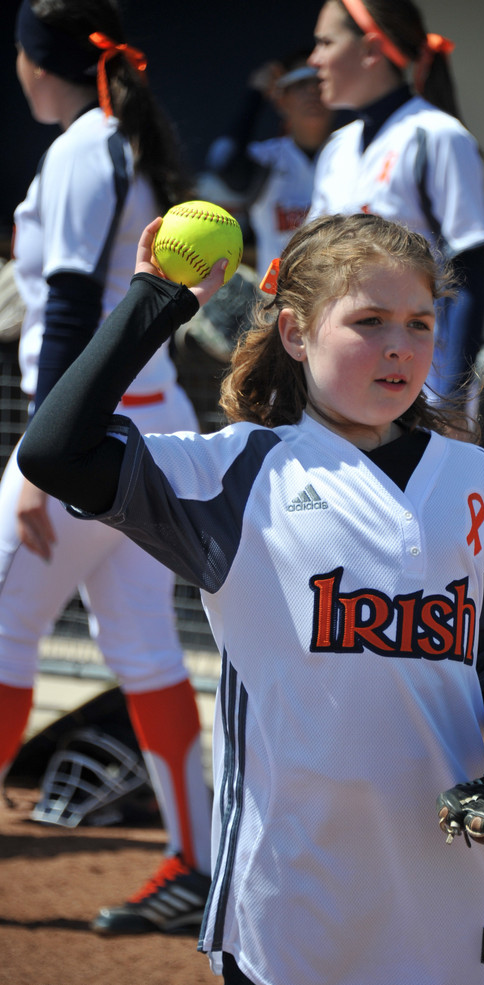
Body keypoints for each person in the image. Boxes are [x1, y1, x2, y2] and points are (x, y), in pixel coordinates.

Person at [19, 210, 484, 985]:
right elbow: (57, 452)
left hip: (442, 872)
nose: (399, 346)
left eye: (418, 323)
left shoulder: (473, 476)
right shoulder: (237, 471)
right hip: (290, 880)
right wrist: (155, 300)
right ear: (297, 335)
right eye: (367, 322)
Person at [1, 0, 212, 935]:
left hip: (92, 436)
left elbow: (76, 302)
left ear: (32, 59)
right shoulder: (116, 137)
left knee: (4, 636)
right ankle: (194, 862)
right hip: (148, 424)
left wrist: (43, 463)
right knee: (144, 651)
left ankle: (196, 862)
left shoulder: (87, 143)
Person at [308, 0, 484, 401]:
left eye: (325, 42)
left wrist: (450, 399)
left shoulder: (439, 135)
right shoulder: (337, 147)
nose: (314, 59)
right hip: (338, 381)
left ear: (371, 49)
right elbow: (314, 269)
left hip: (418, 381)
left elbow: (468, 273)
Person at [200, 51, 334, 281]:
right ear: (281, 100)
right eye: (301, 84)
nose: (313, 91)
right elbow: (223, 160)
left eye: (319, 82)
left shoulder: (354, 150)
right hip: (276, 302)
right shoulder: (267, 157)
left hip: (339, 297)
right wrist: (255, 95)